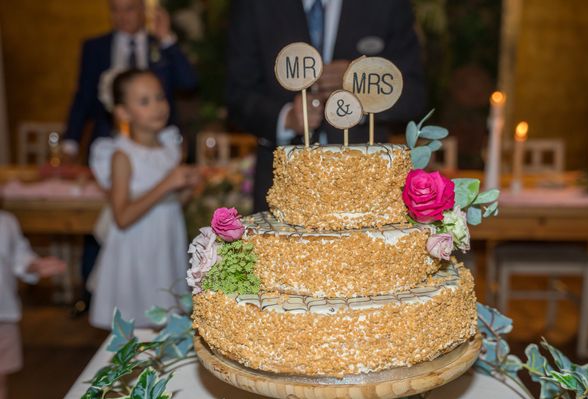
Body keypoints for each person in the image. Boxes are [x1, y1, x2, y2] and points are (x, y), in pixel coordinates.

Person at [226, 0, 426, 212]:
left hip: (366, 190)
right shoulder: (256, 5)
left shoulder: (387, 5)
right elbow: (237, 95)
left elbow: (414, 95)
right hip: (284, 190)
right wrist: (286, 118)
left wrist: (359, 83)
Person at [88, 69, 200, 330]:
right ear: (123, 113)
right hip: (137, 248)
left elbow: (172, 204)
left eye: (160, 97)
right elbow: (122, 217)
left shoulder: (169, 148)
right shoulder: (122, 155)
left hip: (166, 242)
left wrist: (187, 188)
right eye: (144, 101)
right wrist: (167, 184)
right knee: (138, 319)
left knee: (167, 312)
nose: (158, 107)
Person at [63, 0, 198, 161]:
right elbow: (83, 97)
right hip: (109, 142)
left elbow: (188, 82)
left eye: (129, 9)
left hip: (157, 143)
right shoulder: (96, 48)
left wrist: (167, 39)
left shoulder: (160, 44)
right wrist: (70, 143)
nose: (122, 16)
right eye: (115, 10)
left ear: (143, 9)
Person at [0, 212, 66, 399]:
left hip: (3, 312)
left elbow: (18, 255)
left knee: (1, 376)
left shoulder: (6, 222)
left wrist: (33, 265)